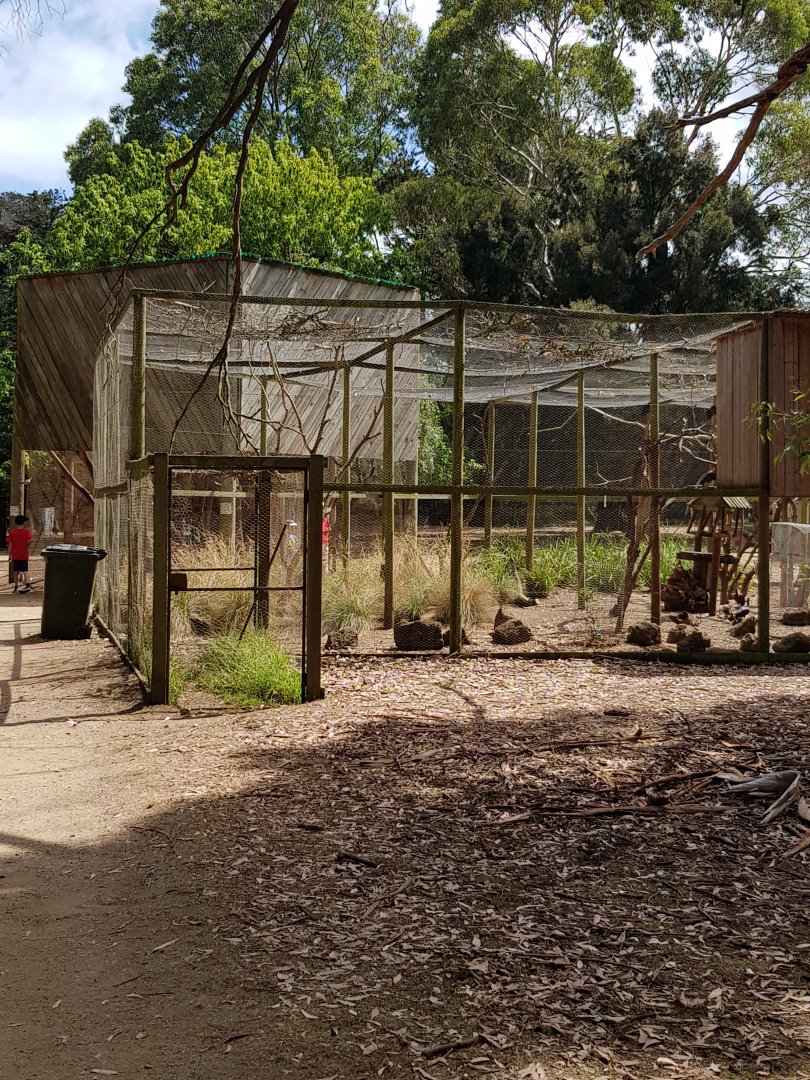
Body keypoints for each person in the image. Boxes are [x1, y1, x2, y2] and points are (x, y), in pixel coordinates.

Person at [7, 514, 33, 594]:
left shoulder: (12, 533)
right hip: (24, 555)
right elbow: (30, 541)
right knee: (25, 570)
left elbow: (10, 545)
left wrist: (9, 556)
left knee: (15, 571)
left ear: (15, 523)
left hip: (15, 555)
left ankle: (16, 586)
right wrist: (28, 544)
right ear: (24, 523)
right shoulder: (27, 532)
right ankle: (28, 584)